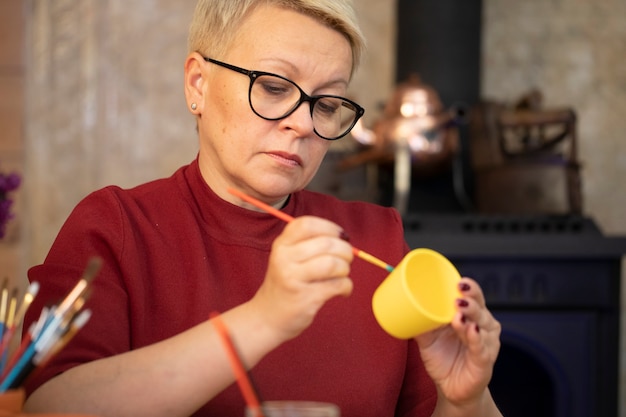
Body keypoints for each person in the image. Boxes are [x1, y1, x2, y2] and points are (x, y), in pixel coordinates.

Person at [22, 1, 503, 416]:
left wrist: (465, 402)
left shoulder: (377, 239)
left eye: (327, 103)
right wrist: (266, 318)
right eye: (274, 86)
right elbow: (49, 407)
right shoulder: (116, 228)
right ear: (198, 85)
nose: (303, 123)